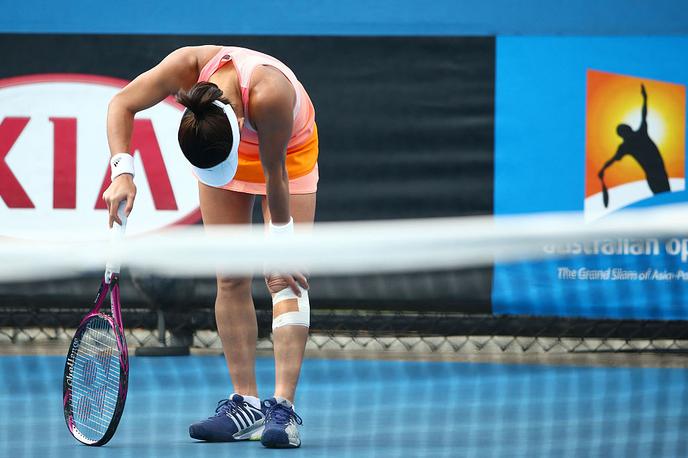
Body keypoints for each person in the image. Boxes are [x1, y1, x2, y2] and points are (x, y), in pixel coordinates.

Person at [102, 45, 317, 448]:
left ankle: (283, 411)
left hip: (286, 154)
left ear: (237, 119)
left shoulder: (270, 93)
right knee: (230, 274)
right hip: (222, 146)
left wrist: (283, 243)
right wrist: (122, 172)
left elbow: (277, 177)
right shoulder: (187, 68)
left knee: (284, 277)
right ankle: (246, 405)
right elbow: (122, 103)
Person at [598, 83, 670, 200]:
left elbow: (644, 114)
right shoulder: (635, 138)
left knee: (664, 200)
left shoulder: (628, 144)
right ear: (626, 132)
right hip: (656, 175)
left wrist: (603, 169)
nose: (629, 128)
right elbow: (644, 114)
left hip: (657, 175)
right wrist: (645, 98)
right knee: (665, 200)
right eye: (626, 128)